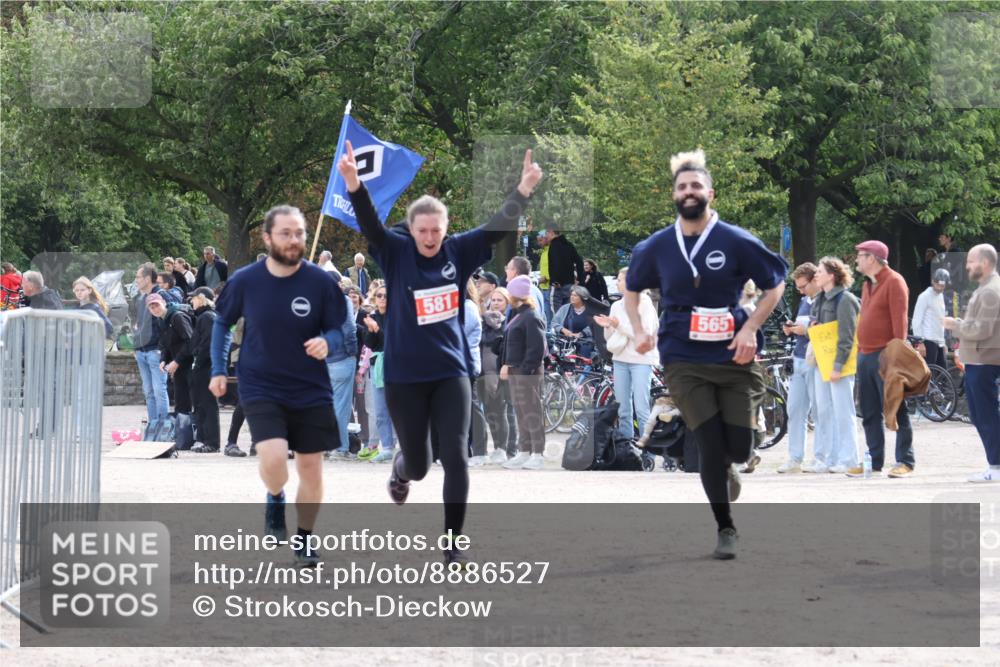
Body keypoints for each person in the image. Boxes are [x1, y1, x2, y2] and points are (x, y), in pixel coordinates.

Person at [340, 141, 542, 566]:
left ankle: (452, 546)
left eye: (436, 231)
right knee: (420, 463)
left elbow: (495, 227)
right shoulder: (395, 255)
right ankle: (400, 470)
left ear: (445, 230)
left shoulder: (458, 251)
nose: (430, 238)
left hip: (450, 372)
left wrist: (522, 190)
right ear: (411, 231)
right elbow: (372, 226)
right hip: (404, 377)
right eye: (423, 231)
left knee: (455, 455)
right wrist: (355, 185)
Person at [625, 149, 787, 560]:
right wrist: (642, 330)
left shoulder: (736, 240)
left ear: (710, 192)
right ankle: (725, 527)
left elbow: (776, 284)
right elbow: (632, 290)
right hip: (682, 356)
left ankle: (734, 464)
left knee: (738, 446)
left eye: (696, 185)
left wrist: (751, 327)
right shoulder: (657, 246)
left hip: (733, 354)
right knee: (709, 446)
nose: (689, 191)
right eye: (682, 187)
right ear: (674, 195)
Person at [209, 204, 347, 567]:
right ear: (268, 238)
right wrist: (217, 370)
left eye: (299, 233)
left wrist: (328, 342)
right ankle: (275, 495)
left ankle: (304, 539)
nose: (294, 240)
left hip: (311, 387)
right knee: (273, 460)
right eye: (286, 233)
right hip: (261, 383)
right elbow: (222, 323)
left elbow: (339, 327)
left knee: (311, 468)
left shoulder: (321, 282)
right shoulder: (245, 280)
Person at [848, 240, 913, 479]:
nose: (856, 260)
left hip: (886, 356)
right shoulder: (867, 284)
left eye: (860, 256)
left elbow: (900, 324)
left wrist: (897, 360)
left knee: (898, 408)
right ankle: (874, 461)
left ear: (872, 258)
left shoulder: (894, 281)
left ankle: (905, 460)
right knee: (869, 411)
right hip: (865, 354)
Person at [943, 244, 1000, 483]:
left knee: (985, 415)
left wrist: (954, 325)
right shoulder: (986, 288)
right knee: (980, 415)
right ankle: (994, 465)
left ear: (984, 263)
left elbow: (982, 329)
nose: (967, 266)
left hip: (984, 362)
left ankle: (995, 467)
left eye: (970, 262)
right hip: (979, 360)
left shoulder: (990, 291)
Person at [807, 257, 861, 474]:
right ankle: (830, 458)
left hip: (840, 366)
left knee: (843, 411)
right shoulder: (819, 298)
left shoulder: (846, 299)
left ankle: (849, 459)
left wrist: (838, 365)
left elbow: (847, 336)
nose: (816, 275)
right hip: (822, 362)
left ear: (831, 275)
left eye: (819, 271)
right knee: (824, 411)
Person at [594, 267, 658, 440]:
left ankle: (648, 450)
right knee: (622, 408)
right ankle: (626, 446)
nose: (617, 282)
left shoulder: (644, 303)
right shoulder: (616, 305)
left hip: (641, 359)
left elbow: (643, 333)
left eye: (620, 279)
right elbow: (611, 338)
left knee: (642, 407)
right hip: (620, 358)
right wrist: (607, 327)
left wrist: (618, 326)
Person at [499, 276, 547, 470]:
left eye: (510, 291)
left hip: (527, 371)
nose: (508, 294)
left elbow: (537, 348)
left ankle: (538, 453)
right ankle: (524, 451)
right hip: (517, 370)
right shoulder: (518, 314)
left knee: (532, 411)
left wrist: (525, 371)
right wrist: (508, 365)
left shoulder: (531, 316)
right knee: (521, 411)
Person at [777, 263, 820, 473]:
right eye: (798, 287)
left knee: (820, 410)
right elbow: (802, 327)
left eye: (803, 286)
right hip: (800, 358)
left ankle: (821, 456)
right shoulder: (804, 302)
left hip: (816, 360)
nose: (800, 291)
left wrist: (806, 331)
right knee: (794, 409)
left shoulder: (824, 301)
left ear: (814, 280)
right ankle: (795, 458)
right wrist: (792, 328)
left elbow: (827, 331)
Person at [185, 287, 239, 456]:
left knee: (207, 404)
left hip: (205, 366)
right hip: (203, 366)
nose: (191, 301)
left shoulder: (207, 317)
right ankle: (204, 440)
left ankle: (212, 442)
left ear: (202, 298)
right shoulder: (204, 316)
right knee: (201, 404)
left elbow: (208, 344)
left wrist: (198, 362)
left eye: (193, 298)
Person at [360, 284, 397, 463]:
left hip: (398, 364)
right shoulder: (371, 317)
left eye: (386, 295)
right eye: (379, 295)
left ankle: (404, 446)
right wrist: (373, 330)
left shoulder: (397, 316)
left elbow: (393, 341)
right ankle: (387, 447)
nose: (382, 298)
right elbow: (369, 344)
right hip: (378, 366)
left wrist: (378, 330)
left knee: (399, 409)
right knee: (381, 410)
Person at [479, 287, 513, 464]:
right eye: (493, 300)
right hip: (483, 372)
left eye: (500, 300)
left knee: (501, 411)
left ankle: (503, 448)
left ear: (507, 303)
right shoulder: (483, 321)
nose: (496, 303)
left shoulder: (508, 324)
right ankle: (496, 447)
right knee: (490, 412)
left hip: (500, 372)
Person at [147, 293, 195, 418]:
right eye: (151, 307)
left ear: (163, 302)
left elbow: (190, 341)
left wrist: (176, 361)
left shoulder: (177, 317)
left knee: (195, 400)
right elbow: (165, 343)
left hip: (190, 363)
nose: (155, 309)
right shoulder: (161, 320)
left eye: (156, 305)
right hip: (178, 365)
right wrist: (164, 359)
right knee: (180, 401)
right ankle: (182, 432)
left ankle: (197, 432)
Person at [325, 287, 359, 461]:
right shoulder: (342, 300)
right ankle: (340, 447)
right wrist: (352, 351)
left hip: (322, 358)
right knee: (341, 405)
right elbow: (349, 328)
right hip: (341, 358)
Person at [132, 263, 169, 421]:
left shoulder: (162, 295)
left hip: (156, 351)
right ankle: (153, 426)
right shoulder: (140, 299)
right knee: (148, 392)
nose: (136, 280)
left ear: (148, 278)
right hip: (142, 351)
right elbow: (138, 324)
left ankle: (164, 427)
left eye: (138, 277)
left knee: (159, 390)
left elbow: (169, 323)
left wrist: (164, 349)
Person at [462, 278, 489, 465]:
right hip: (458, 364)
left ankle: (480, 450)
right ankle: (466, 450)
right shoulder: (462, 307)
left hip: (467, 364)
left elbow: (460, 333)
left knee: (472, 407)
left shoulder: (469, 307)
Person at [912, 268, 950, 368]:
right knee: (929, 375)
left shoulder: (941, 296)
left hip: (939, 341)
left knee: (942, 376)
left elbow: (941, 320)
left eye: (942, 286)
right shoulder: (924, 296)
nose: (939, 288)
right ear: (933, 281)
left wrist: (943, 342)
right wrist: (919, 342)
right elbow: (916, 320)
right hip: (927, 340)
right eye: (938, 285)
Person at [546, 224, 584, 314]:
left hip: (558, 285)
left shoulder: (554, 245)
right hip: (570, 284)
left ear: (551, 232)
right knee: (568, 312)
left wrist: (555, 280)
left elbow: (556, 263)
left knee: (557, 314)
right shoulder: (569, 245)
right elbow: (579, 261)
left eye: (546, 232)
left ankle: (560, 328)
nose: (546, 235)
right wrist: (580, 279)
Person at [551, 286, 595, 359]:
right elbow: (554, 323)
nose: (572, 297)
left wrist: (580, 334)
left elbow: (594, 326)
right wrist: (563, 330)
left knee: (584, 356)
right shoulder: (564, 308)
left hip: (584, 342)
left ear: (582, 297)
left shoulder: (590, 311)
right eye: (571, 295)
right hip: (565, 341)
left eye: (575, 295)